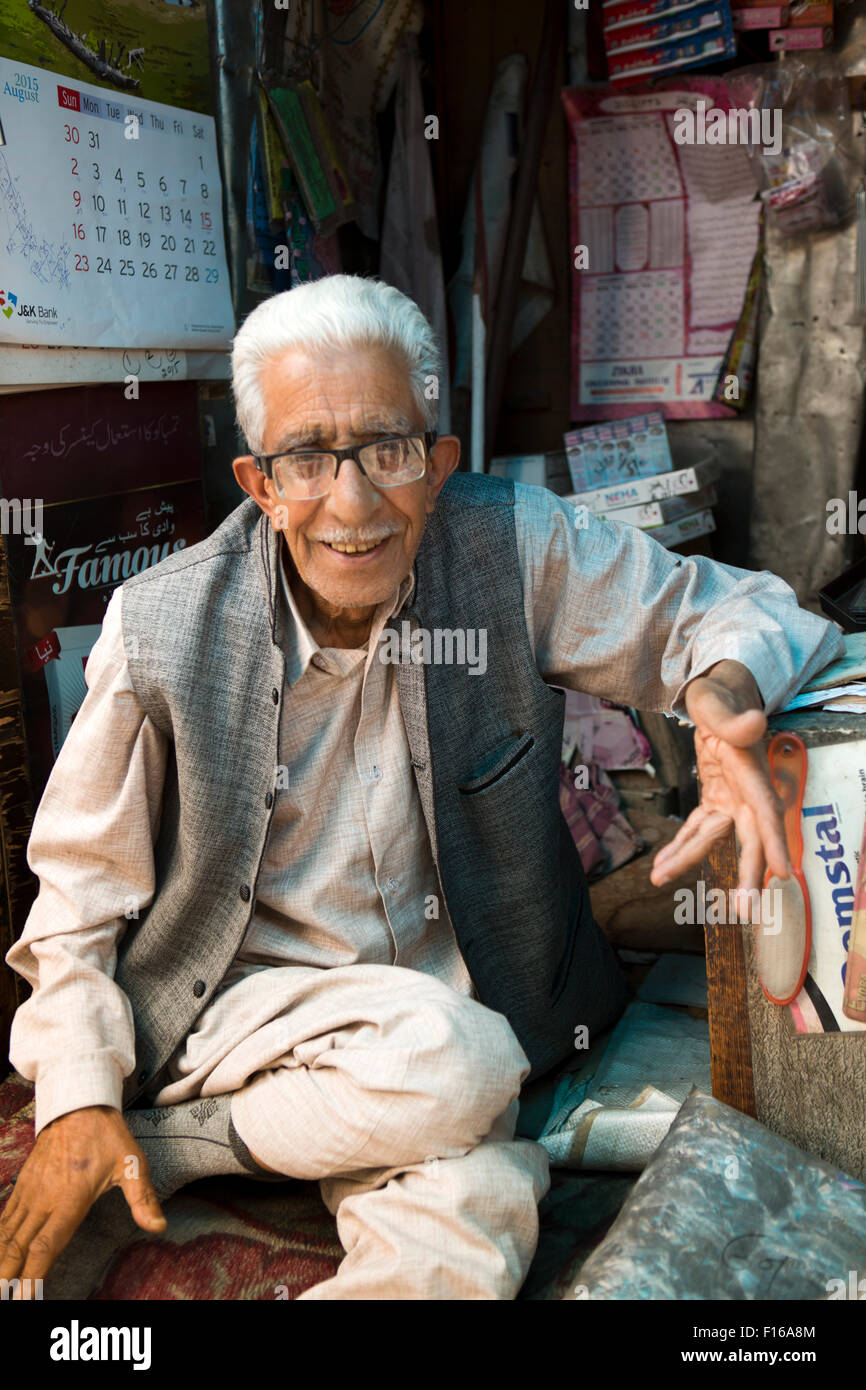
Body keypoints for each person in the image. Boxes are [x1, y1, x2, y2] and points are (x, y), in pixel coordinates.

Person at [0, 275, 843, 1300]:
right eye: (307, 458)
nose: (351, 505)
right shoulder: (162, 628)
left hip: (449, 1031)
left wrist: (716, 699)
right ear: (258, 483)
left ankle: (202, 1142)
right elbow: (78, 896)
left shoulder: (510, 546)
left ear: (437, 465)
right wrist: (82, 1096)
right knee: (462, 1063)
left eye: (387, 452)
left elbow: (750, 611)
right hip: (246, 1025)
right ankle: (176, 1129)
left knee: (465, 1225)